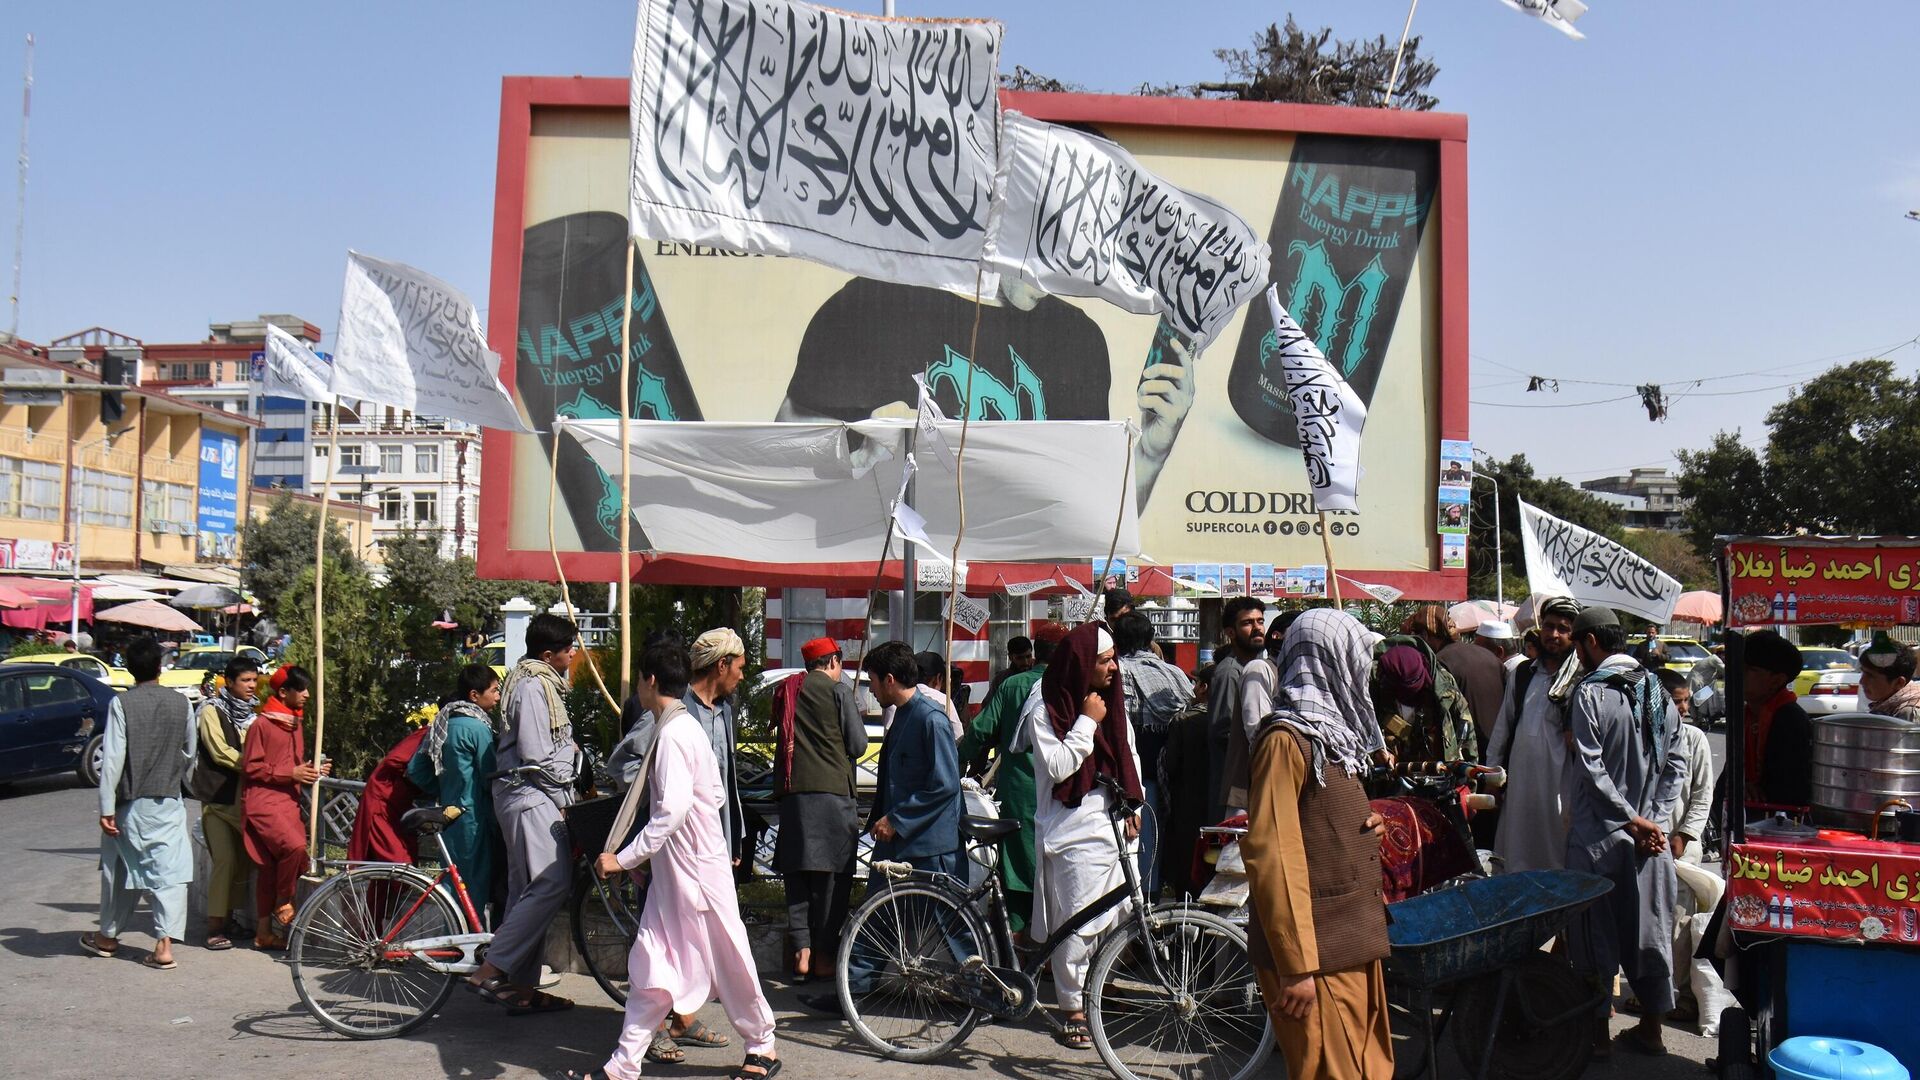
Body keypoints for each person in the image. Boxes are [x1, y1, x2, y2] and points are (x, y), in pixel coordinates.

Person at [581, 641, 779, 1080]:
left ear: (649, 681)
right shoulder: (678, 727)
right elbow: (711, 796)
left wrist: (624, 857)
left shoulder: (672, 733)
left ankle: (762, 1044)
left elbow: (671, 810)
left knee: (731, 961)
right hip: (679, 871)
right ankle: (622, 1065)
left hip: (698, 872)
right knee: (651, 967)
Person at [1243, 610, 1394, 1079]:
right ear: (1332, 660)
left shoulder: (1334, 738)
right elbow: (1273, 855)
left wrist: (1362, 824)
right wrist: (1296, 966)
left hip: (1349, 941)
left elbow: (1317, 818)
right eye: (1357, 657)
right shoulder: (1285, 741)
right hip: (1315, 955)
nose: (1364, 670)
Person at [802, 641, 962, 1015]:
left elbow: (944, 784)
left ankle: (987, 990)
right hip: (895, 844)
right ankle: (851, 993)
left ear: (890, 680)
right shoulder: (904, 716)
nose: (870, 689)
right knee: (875, 919)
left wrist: (898, 819)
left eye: (873, 681)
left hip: (929, 846)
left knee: (949, 923)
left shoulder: (931, 719)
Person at [1562, 606, 1684, 1057]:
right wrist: (1655, 819)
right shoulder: (1660, 692)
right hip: (1649, 840)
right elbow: (1677, 764)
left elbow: (1592, 771)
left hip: (1601, 837)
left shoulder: (1589, 694)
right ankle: (1651, 1030)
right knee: (1650, 932)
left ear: (1591, 642)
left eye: (1578, 644)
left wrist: (1632, 820)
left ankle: (1597, 1039)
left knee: (1594, 937)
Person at [1023, 622, 1144, 1050]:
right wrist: (1087, 723)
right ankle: (1072, 1006)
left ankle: (1101, 986)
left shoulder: (1112, 702)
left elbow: (1127, 754)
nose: (1114, 667)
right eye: (1104, 660)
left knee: (1115, 916)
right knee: (1078, 921)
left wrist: (1135, 802)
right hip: (1071, 831)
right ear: (1081, 665)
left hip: (1113, 828)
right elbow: (1058, 768)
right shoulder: (1047, 709)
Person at [469, 613, 581, 1013]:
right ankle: (492, 968)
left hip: (525, 791)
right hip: (530, 790)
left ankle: (520, 987)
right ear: (548, 654)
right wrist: (566, 798)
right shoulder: (534, 685)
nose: (574, 652)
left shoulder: (534, 681)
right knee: (552, 881)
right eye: (569, 647)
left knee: (525, 890)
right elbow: (537, 756)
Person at [80, 637, 196, 969]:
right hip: (169, 802)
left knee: (119, 870)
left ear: (130, 670)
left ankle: (108, 937)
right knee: (168, 873)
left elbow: (113, 760)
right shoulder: (182, 703)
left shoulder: (122, 704)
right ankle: (160, 944)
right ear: (160, 667)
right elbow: (189, 752)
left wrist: (105, 808)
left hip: (130, 804)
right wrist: (171, 771)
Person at [958, 622, 1066, 937]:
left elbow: (980, 731)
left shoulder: (1013, 685)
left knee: (1019, 861)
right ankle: (1052, 942)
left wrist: (958, 756)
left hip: (1021, 790)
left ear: (1036, 654)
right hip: (1063, 792)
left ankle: (1017, 938)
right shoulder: (1072, 686)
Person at [770, 638, 866, 985]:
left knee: (796, 876)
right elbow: (857, 745)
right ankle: (824, 955)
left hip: (794, 797)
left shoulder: (788, 690)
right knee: (831, 880)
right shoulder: (838, 692)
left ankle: (802, 951)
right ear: (834, 662)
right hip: (833, 797)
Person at [1486, 597, 1582, 872]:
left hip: (1561, 786)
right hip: (1521, 784)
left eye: (1563, 629)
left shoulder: (1582, 677)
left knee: (1556, 857)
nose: (1553, 635)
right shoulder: (1523, 673)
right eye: (1549, 626)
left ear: (1574, 634)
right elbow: (1503, 726)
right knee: (1515, 853)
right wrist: (1493, 775)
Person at [242, 665, 328, 950]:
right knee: (294, 847)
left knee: (270, 868)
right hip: (263, 802)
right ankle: (284, 900)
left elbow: (292, 765)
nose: (306, 695)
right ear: (283, 692)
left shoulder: (296, 723)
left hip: (288, 802)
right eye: (300, 689)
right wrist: (290, 774)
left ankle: (263, 933)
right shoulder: (261, 725)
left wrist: (312, 770)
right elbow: (252, 768)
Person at [407, 663, 502, 915]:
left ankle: (451, 944)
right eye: (493, 690)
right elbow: (490, 776)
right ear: (474, 695)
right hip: (474, 818)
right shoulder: (478, 728)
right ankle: (467, 944)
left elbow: (416, 769)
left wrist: (442, 786)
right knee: (475, 886)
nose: (497, 696)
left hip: (447, 815)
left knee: (452, 882)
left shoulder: (442, 722)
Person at [1113, 611, 1192, 899]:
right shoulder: (1175, 675)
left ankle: (1143, 899)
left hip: (1133, 772)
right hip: (1172, 772)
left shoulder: (1116, 673)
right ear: (1150, 639)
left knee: (1137, 845)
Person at [189, 654, 260, 950]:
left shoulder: (256, 716)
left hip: (245, 803)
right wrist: (257, 766)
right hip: (218, 802)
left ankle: (229, 918)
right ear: (229, 683)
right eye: (245, 680)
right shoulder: (210, 711)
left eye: (255, 680)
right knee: (225, 861)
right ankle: (214, 926)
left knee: (243, 864)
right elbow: (219, 752)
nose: (252, 686)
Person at [1740, 630, 1813, 810]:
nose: (1737, 673)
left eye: (1749, 669)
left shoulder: (1790, 719)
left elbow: (1788, 790)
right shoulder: (1746, 714)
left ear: (1776, 680)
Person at [1211, 597, 1267, 818]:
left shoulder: (1256, 668)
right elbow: (1223, 732)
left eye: (1260, 621)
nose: (1257, 628)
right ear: (1230, 632)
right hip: (1237, 783)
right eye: (1247, 623)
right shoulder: (1230, 673)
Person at [346, 721, 431, 867]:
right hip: (383, 799)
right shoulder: (427, 734)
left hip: (400, 803)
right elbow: (394, 760)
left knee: (403, 857)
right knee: (397, 862)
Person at [1654, 668, 1713, 866]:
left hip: (1682, 847)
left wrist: (1685, 835)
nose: (1684, 708)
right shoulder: (1638, 738)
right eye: (1677, 702)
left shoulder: (1694, 738)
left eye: (1686, 700)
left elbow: (1703, 796)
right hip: (1647, 843)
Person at [1441, 619, 1509, 753]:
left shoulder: (1522, 672)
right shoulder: (1497, 663)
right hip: (1497, 746)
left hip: (1474, 748)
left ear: (1500, 651)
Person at [1859, 633, 1920, 721]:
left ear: (1899, 683)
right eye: (1863, 673)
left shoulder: (1909, 712)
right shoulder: (1888, 706)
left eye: (1871, 676)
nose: (1862, 681)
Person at [988, 635, 1034, 700]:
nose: (1025, 662)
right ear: (1010, 657)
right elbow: (989, 705)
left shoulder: (1040, 675)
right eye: (1020, 658)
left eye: (1028, 656)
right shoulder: (1000, 679)